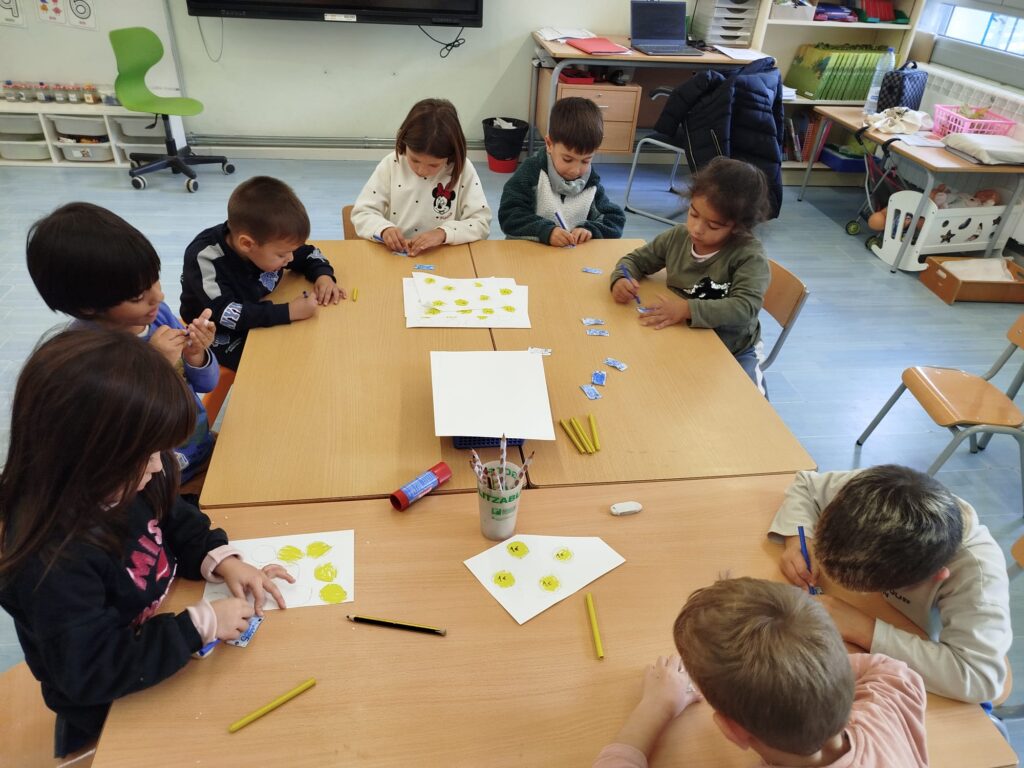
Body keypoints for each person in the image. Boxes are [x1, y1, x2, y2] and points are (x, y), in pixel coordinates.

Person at [0, 328, 294, 756]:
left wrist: (221, 558)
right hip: (111, 706)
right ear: (81, 456)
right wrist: (197, 626)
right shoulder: (49, 563)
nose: (158, 467)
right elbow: (91, 669)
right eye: (146, 456)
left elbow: (174, 515)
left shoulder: (125, 479)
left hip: (163, 636)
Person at [594, 578, 929, 768]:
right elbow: (890, 668)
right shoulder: (890, 702)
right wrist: (814, 674)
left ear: (733, 731)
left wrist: (656, 707)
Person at [770, 465, 1012, 704]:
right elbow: (806, 484)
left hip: (926, 646)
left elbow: (981, 678)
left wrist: (864, 630)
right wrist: (799, 539)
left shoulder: (978, 576)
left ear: (936, 576)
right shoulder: (870, 494)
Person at [26, 202, 217, 486]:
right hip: (150, 480)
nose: (159, 297)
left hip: (197, 446)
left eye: (155, 281)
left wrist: (196, 354)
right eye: (138, 296)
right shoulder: (84, 358)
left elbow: (206, 383)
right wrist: (153, 366)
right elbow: (117, 433)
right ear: (88, 306)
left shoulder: (159, 316)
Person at [611, 156, 771, 393]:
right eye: (693, 214)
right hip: (683, 335)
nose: (697, 229)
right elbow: (635, 260)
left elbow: (745, 307)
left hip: (734, 348)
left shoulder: (749, 256)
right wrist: (621, 278)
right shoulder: (678, 237)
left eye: (713, 226)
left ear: (738, 227)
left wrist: (687, 309)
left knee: (751, 405)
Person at [181, 175, 344, 371]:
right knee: (272, 367)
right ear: (247, 244)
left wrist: (323, 276)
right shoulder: (205, 258)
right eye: (282, 255)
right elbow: (230, 315)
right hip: (217, 331)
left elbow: (307, 253)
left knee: (308, 346)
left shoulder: (269, 239)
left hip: (258, 307)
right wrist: (289, 311)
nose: (290, 258)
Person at [351, 98, 491, 256]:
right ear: (404, 142)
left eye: (433, 165)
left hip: (445, 255)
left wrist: (443, 233)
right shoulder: (391, 164)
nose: (421, 170)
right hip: (397, 255)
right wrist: (383, 229)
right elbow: (362, 213)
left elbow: (481, 222)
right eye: (415, 160)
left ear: (451, 154)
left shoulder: (462, 169)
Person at [498, 96, 625, 245]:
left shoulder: (591, 184)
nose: (575, 170)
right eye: (567, 159)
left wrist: (590, 229)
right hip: (528, 253)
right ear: (549, 144)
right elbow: (509, 215)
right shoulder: (531, 173)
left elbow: (615, 220)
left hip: (570, 256)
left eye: (586, 161)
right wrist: (545, 231)